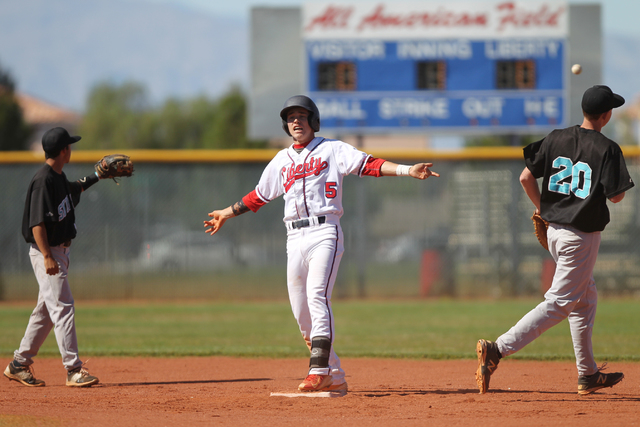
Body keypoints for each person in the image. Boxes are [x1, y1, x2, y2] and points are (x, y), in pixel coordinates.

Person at [204, 95, 439, 392]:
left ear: (313, 121)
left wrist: (407, 170)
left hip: (324, 232)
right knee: (301, 314)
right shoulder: (281, 160)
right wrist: (226, 212)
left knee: (317, 296)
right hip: (293, 238)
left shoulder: (331, 149)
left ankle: (317, 370)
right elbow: (259, 195)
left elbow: (369, 164)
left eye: (302, 116)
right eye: (291, 118)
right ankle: (335, 374)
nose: (296, 122)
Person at [476, 85, 634, 395]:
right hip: (580, 238)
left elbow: (525, 178)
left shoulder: (556, 137)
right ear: (606, 115)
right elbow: (616, 198)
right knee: (561, 302)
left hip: (554, 233)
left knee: (585, 299)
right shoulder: (607, 148)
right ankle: (498, 349)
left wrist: (542, 209)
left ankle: (587, 374)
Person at [4, 127, 104, 388]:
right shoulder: (43, 180)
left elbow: (75, 190)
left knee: (47, 312)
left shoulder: (58, 177)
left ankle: (19, 364)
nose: (71, 149)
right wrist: (48, 256)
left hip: (58, 251)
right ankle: (74, 369)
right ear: (63, 150)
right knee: (63, 306)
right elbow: (37, 223)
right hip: (46, 252)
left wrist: (97, 176)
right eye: (69, 146)